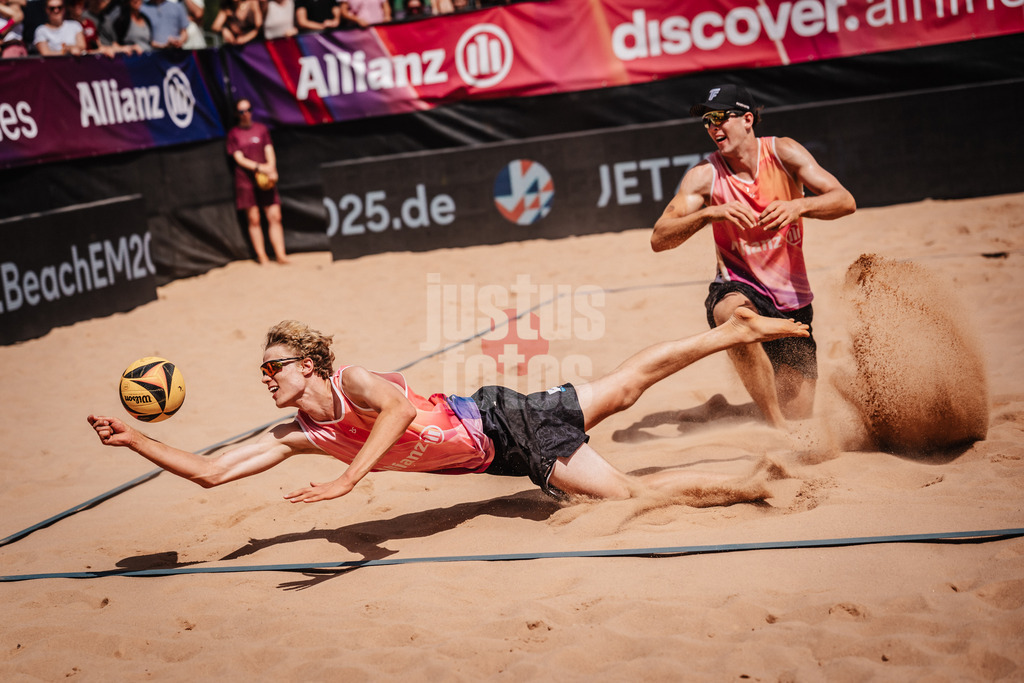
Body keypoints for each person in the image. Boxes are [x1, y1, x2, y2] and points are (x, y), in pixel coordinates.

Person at [88, 309, 808, 505]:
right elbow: (212, 472)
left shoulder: (355, 382)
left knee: (625, 495)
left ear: (306, 366)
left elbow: (399, 415)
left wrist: (348, 478)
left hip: (504, 428)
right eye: (262, 370)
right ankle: (731, 332)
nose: (266, 378)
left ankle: (757, 486)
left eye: (272, 367)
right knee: (623, 386)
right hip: (497, 434)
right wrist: (135, 441)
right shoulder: (301, 432)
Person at [651, 84, 856, 427]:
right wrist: (710, 214)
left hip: (791, 300)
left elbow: (845, 201)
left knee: (798, 411)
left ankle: (725, 409)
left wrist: (798, 206)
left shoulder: (783, 152)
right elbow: (659, 238)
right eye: (707, 121)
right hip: (739, 286)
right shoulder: (704, 176)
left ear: (747, 119)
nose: (713, 126)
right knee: (733, 316)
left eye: (720, 117)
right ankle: (777, 429)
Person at [226, 99, 289, 264]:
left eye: (248, 110)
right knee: (254, 218)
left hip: (265, 178)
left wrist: (271, 169)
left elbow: (269, 151)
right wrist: (260, 168)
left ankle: (281, 255)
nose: (245, 114)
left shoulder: (261, 129)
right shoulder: (234, 134)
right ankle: (262, 256)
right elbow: (239, 158)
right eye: (241, 111)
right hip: (246, 180)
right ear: (237, 114)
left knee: (275, 216)